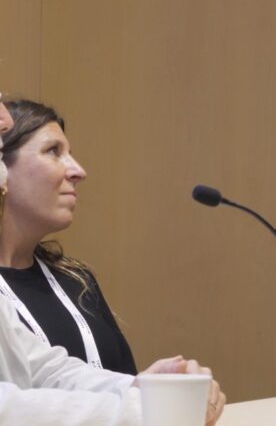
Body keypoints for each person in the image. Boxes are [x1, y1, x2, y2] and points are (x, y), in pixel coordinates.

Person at [0, 96, 225, 424]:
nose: (3, 118)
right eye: (53, 152)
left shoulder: (76, 279)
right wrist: (145, 409)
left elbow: (43, 368)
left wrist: (144, 388)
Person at [0, 98, 136, 374]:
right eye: (53, 151)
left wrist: (156, 386)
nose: (78, 171)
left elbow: (121, 381)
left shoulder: (77, 280)